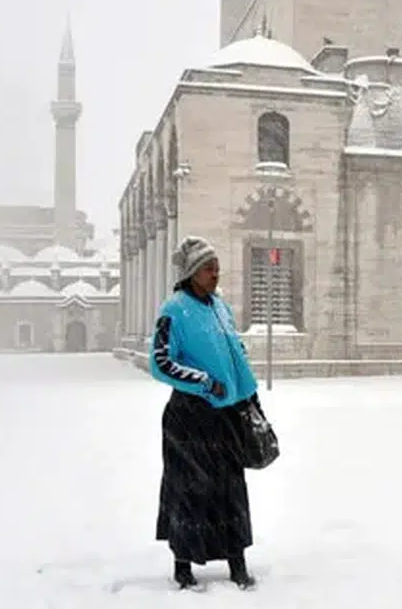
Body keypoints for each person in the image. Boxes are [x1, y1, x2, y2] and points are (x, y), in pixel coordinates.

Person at [149, 236, 264, 590]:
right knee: (189, 490)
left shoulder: (220, 307)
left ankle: (237, 563)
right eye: (207, 268)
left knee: (230, 490)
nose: (215, 273)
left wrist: (249, 396)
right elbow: (161, 362)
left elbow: (235, 352)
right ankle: (183, 566)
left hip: (225, 415)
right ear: (191, 272)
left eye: (216, 267)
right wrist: (203, 382)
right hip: (190, 417)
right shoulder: (174, 311)